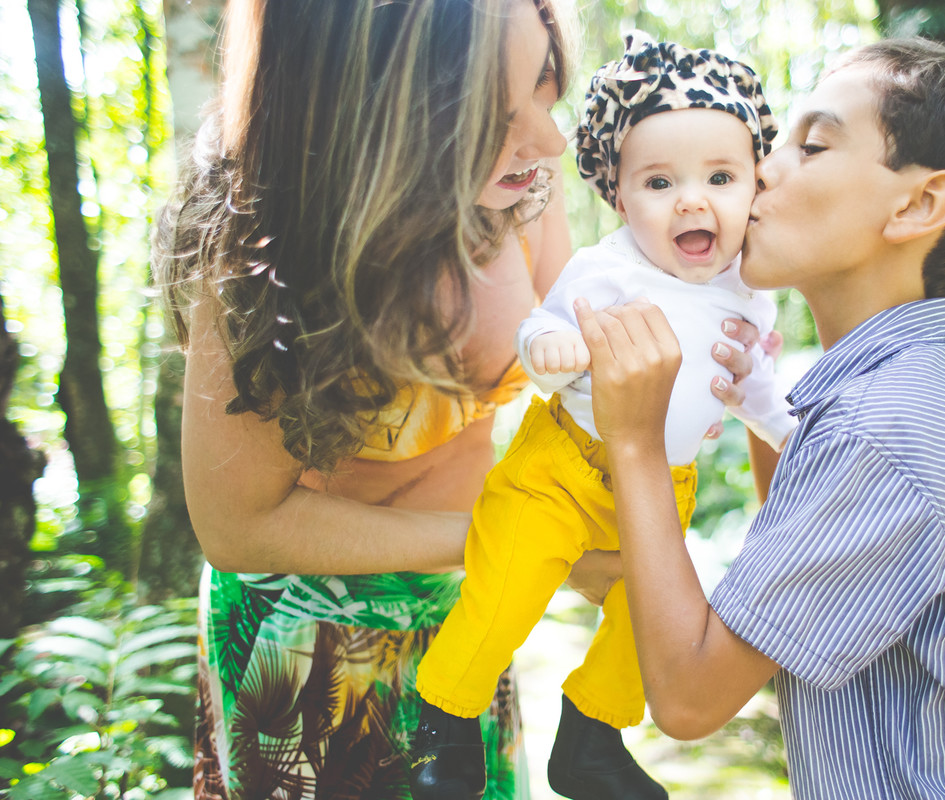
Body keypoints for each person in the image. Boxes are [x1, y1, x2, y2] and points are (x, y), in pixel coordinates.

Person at [154, 1, 771, 797]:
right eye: (499, 116)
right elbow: (240, 527)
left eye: (545, 94)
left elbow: (589, 358)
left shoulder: (524, 195)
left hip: (473, 607)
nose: (550, 140)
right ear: (380, 117)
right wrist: (529, 540)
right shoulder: (260, 241)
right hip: (311, 646)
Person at [575, 38, 945, 800]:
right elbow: (799, 580)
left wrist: (635, 441)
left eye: (811, 146)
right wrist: (752, 399)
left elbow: (688, 695)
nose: (761, 167)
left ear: (917, 205)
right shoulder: (905, 392)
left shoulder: (885, 428)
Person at [410, 32, 795, 800]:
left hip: (661, 485)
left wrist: (791, 432)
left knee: (649, 614)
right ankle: (444, 723)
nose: (692, 199)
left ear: (756, 187)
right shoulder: (610, 267)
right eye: (659, 182)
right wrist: (551, 345)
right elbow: (543, 323)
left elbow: (754, 388)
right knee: (506, 584)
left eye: (720, 176)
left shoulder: (750, 293)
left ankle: (593, 735)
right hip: (563, 467)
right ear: (619, 199)